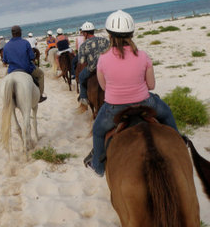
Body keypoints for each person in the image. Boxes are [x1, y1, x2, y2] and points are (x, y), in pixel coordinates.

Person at [84, 10, 180, 177]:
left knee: (98, 131)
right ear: (131, 33)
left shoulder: (103, 58)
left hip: (114, 107)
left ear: (109, 35)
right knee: (166, 112)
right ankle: (179, 143)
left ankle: (98, 167)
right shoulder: (143, 55)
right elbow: (151, 85)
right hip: (145, 102)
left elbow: (104, 87)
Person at [2, 25, 47, 103]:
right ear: (20, 33)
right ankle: (39, 96)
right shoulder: (25, 42)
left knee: (5, 82)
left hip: (12, 70)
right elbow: (32, 57)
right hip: (26, 68)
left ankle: (7, 99)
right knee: (41, 74)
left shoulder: (6, 46)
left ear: (12, 34)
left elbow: (4, 61)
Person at [77, 21, 109, 106]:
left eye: (83, 33)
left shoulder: (83, 45)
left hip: (92, 69)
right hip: (106, 67)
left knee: (81, 77)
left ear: (85, 33)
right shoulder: (104, 40)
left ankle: (83, 97)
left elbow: (82, 61)